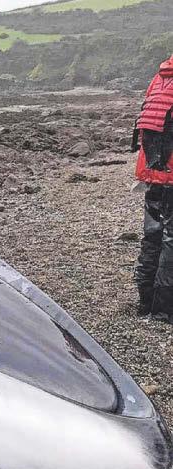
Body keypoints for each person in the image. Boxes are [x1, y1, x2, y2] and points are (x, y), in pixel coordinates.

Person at [133, 54, 173, 320]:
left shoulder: (160, 77)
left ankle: (145, 301)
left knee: (153, 235)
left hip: (152, 171)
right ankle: (164, 311)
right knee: (171, 241)